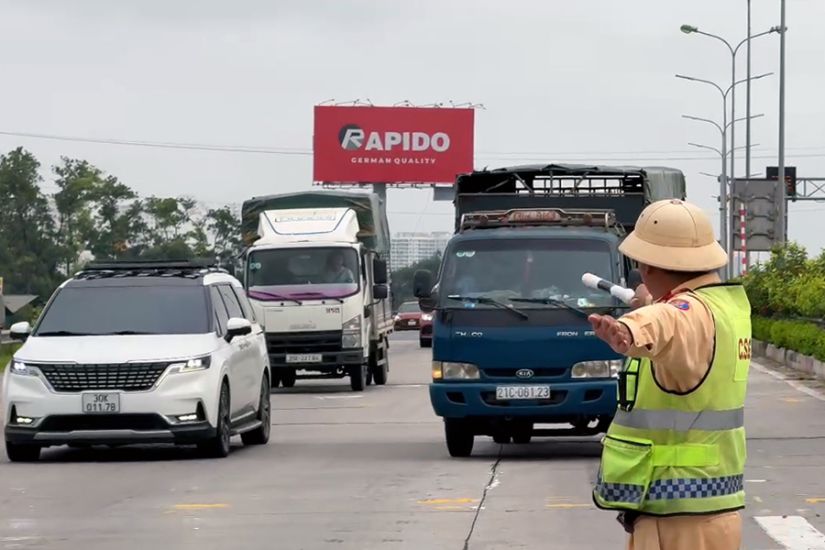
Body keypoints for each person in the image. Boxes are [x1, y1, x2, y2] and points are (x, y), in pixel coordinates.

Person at [589, 199, 752, 550]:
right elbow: (674, 319)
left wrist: (628, 330)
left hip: (677, 520)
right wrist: (652, 305)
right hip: (713, 511)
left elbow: (667, 321)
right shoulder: (726, 307)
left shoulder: (683, 312)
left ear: (648, 265)